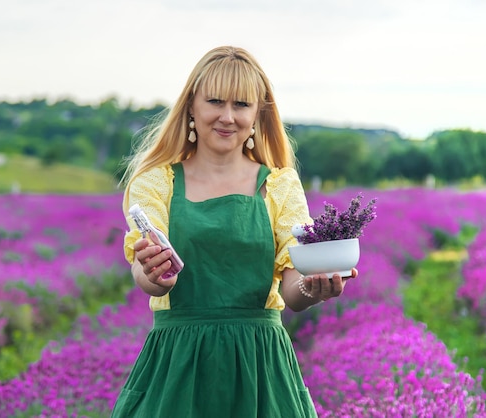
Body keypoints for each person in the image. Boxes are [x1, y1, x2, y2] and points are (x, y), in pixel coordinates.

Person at [111, 45, 357, 418]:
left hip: (261, 369)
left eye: (241, 104)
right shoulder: (156, 182)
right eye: (215, 102)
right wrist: (152, 271)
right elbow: (149, 278)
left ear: (258, 114)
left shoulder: (280, 186)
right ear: (191, 106)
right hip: (178, 366)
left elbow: (293, 290)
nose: (227, 117)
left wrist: (314, 286)